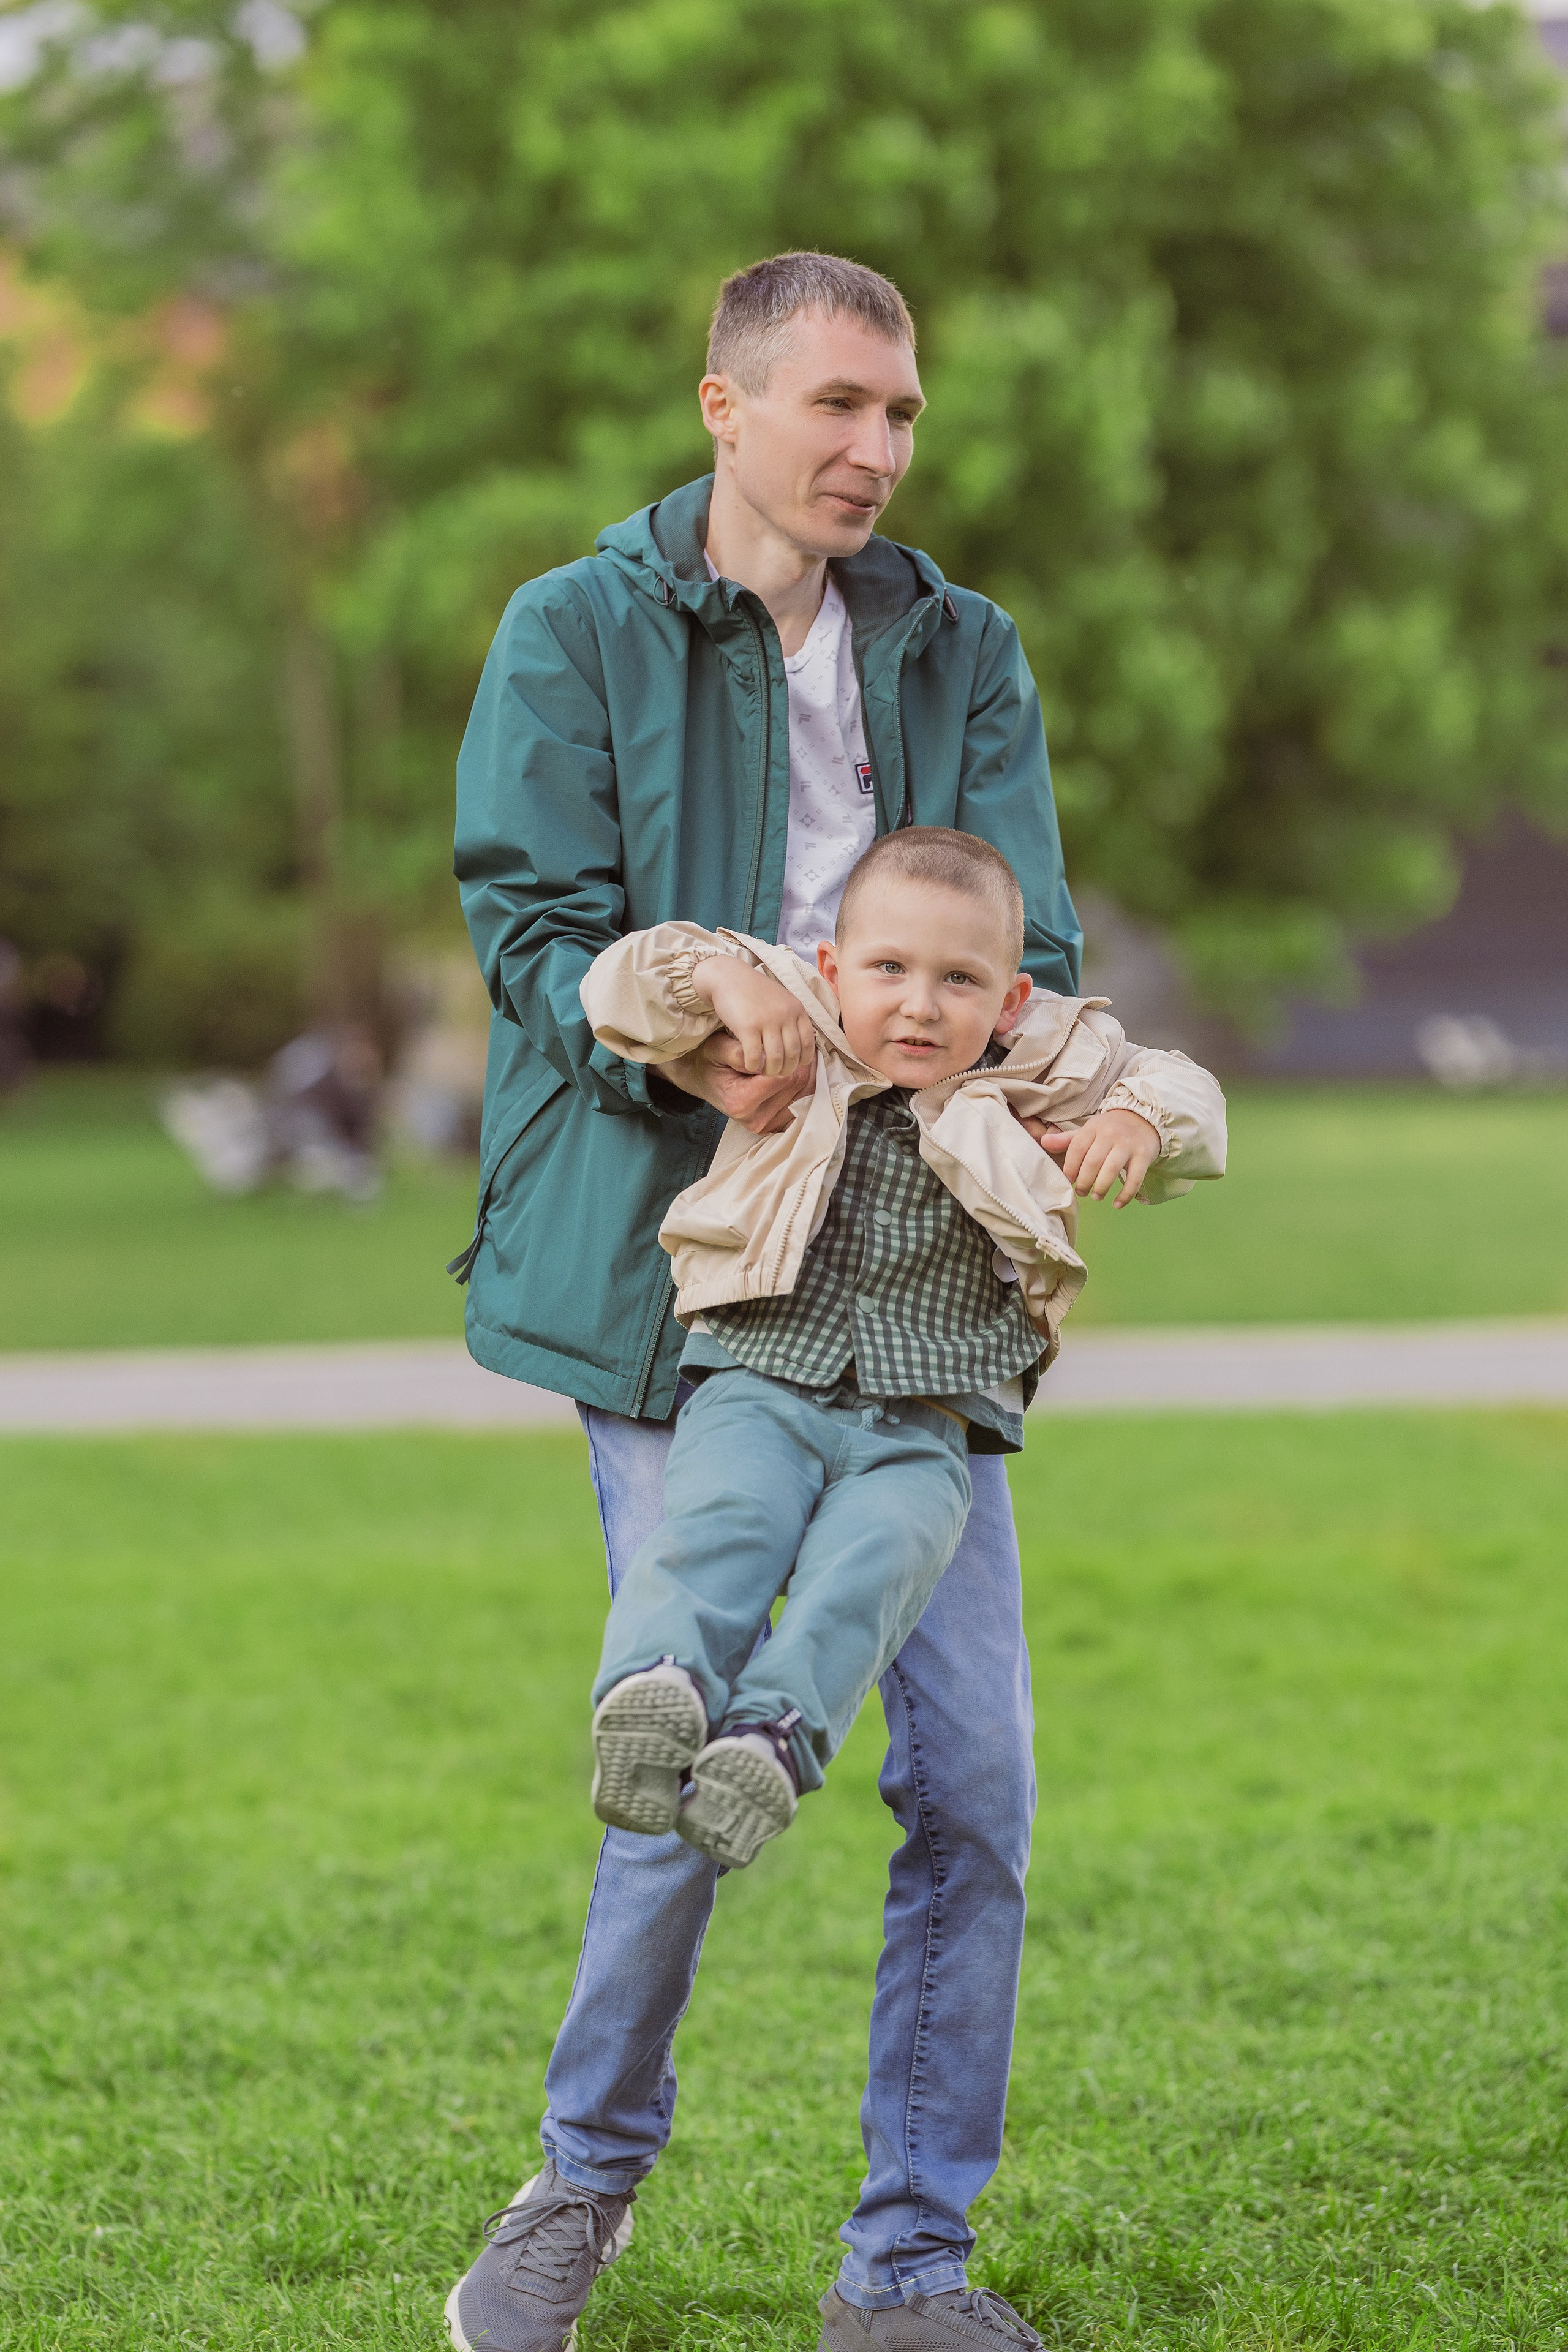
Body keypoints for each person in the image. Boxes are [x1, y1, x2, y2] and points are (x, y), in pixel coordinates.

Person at [448, 249, 1090, 2352]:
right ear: (724, 409)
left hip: (922, 1300)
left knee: (975, 1787)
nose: (876, 450)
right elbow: (533, 935)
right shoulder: (577, 628)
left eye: (901, 415)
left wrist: (1077, 1087)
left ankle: (907, 2266)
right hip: (687, 1281)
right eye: (837, 407)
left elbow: (1036, 946)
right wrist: (683, 1035)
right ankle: (582, 2188)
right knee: (677, 1750)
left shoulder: (961, 647)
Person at [579, 829, 1224, 1873]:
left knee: (869, 1575)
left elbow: (1191, 1090)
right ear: (836, 969)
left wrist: (1143, 1123)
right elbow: (621, 988)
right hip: (761, 1376)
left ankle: (770, 1743)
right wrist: (723, 976)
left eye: (959, 980)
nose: (920, 1005)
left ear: (1011, 1000)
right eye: (889, 969)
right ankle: (660, 1687)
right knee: (722, 1528)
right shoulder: (796, 1007)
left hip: (927, 1422)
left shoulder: (1045, 1058)